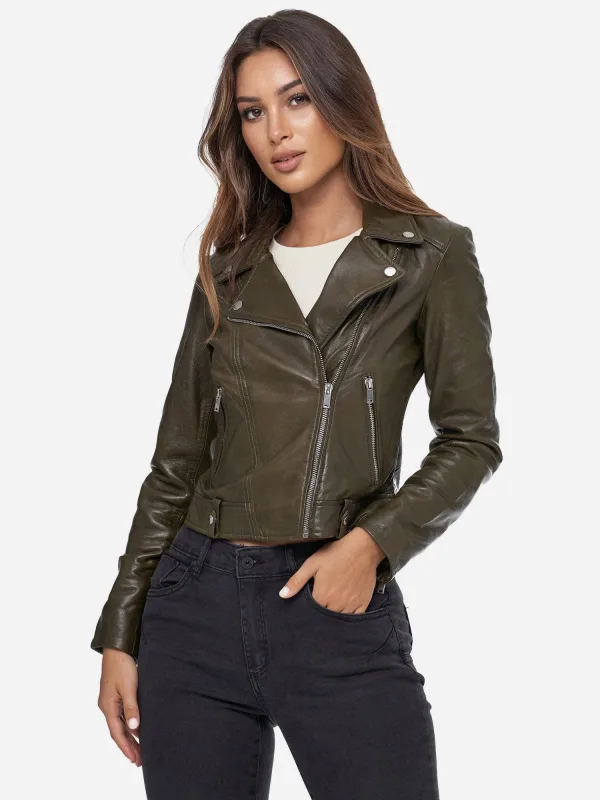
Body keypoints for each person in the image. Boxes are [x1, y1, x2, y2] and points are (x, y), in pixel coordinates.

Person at [92, 10, 502, 799]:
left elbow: (471, 439)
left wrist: (370, 545)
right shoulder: (229, 271)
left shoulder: (431, 255)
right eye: (252, 112)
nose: (276, 130)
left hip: (334, 608)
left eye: (298, 99)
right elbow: (176, 464)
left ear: (343, 100)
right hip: (193, 608)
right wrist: (121, 631)